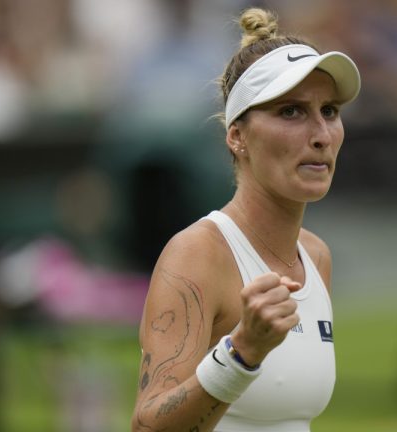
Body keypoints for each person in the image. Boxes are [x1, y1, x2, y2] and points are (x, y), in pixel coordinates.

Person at [131, 7, 360, 432]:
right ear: (237, 136)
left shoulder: (316, 256)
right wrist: (242, 352)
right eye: (291, 111)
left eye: (329, 110)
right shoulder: (196, 253)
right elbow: (147, 426)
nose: (321, 135)